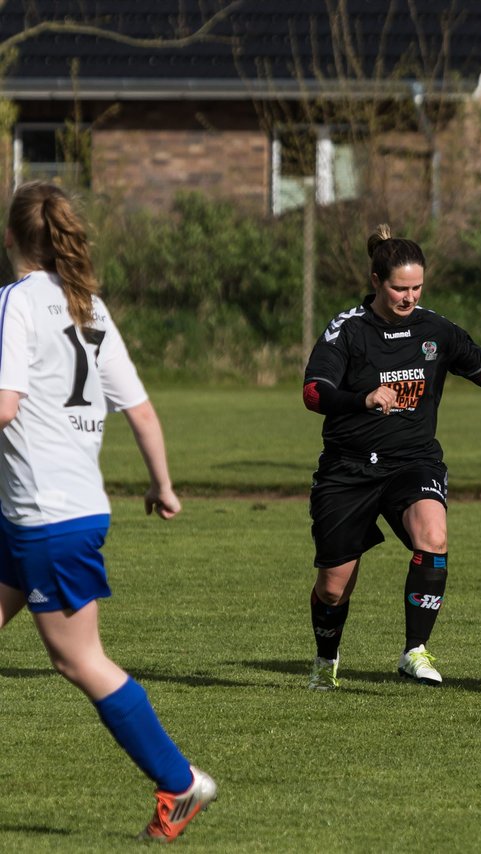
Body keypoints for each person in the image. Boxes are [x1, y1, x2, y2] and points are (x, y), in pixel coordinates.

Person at [0, 181, 216, 841]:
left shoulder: (16, 303)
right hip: (53, 511)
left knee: (80, 661)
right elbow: (141, 410)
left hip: (46, 518)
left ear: (10, 238)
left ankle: (179, 783)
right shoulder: (87, 306)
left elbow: (4, 404)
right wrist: (164, 485)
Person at [302, 224, 481, 690]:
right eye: (399, 288)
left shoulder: (435, 329)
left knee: (433, 536)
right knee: (334, 585)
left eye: (416, 287)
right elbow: (315, 392)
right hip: (348, 468)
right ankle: (325, 660)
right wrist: (363, 399)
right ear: (376, 281)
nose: (409, 296)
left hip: (413, 460)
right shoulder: (348, 330)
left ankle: (415, 651)